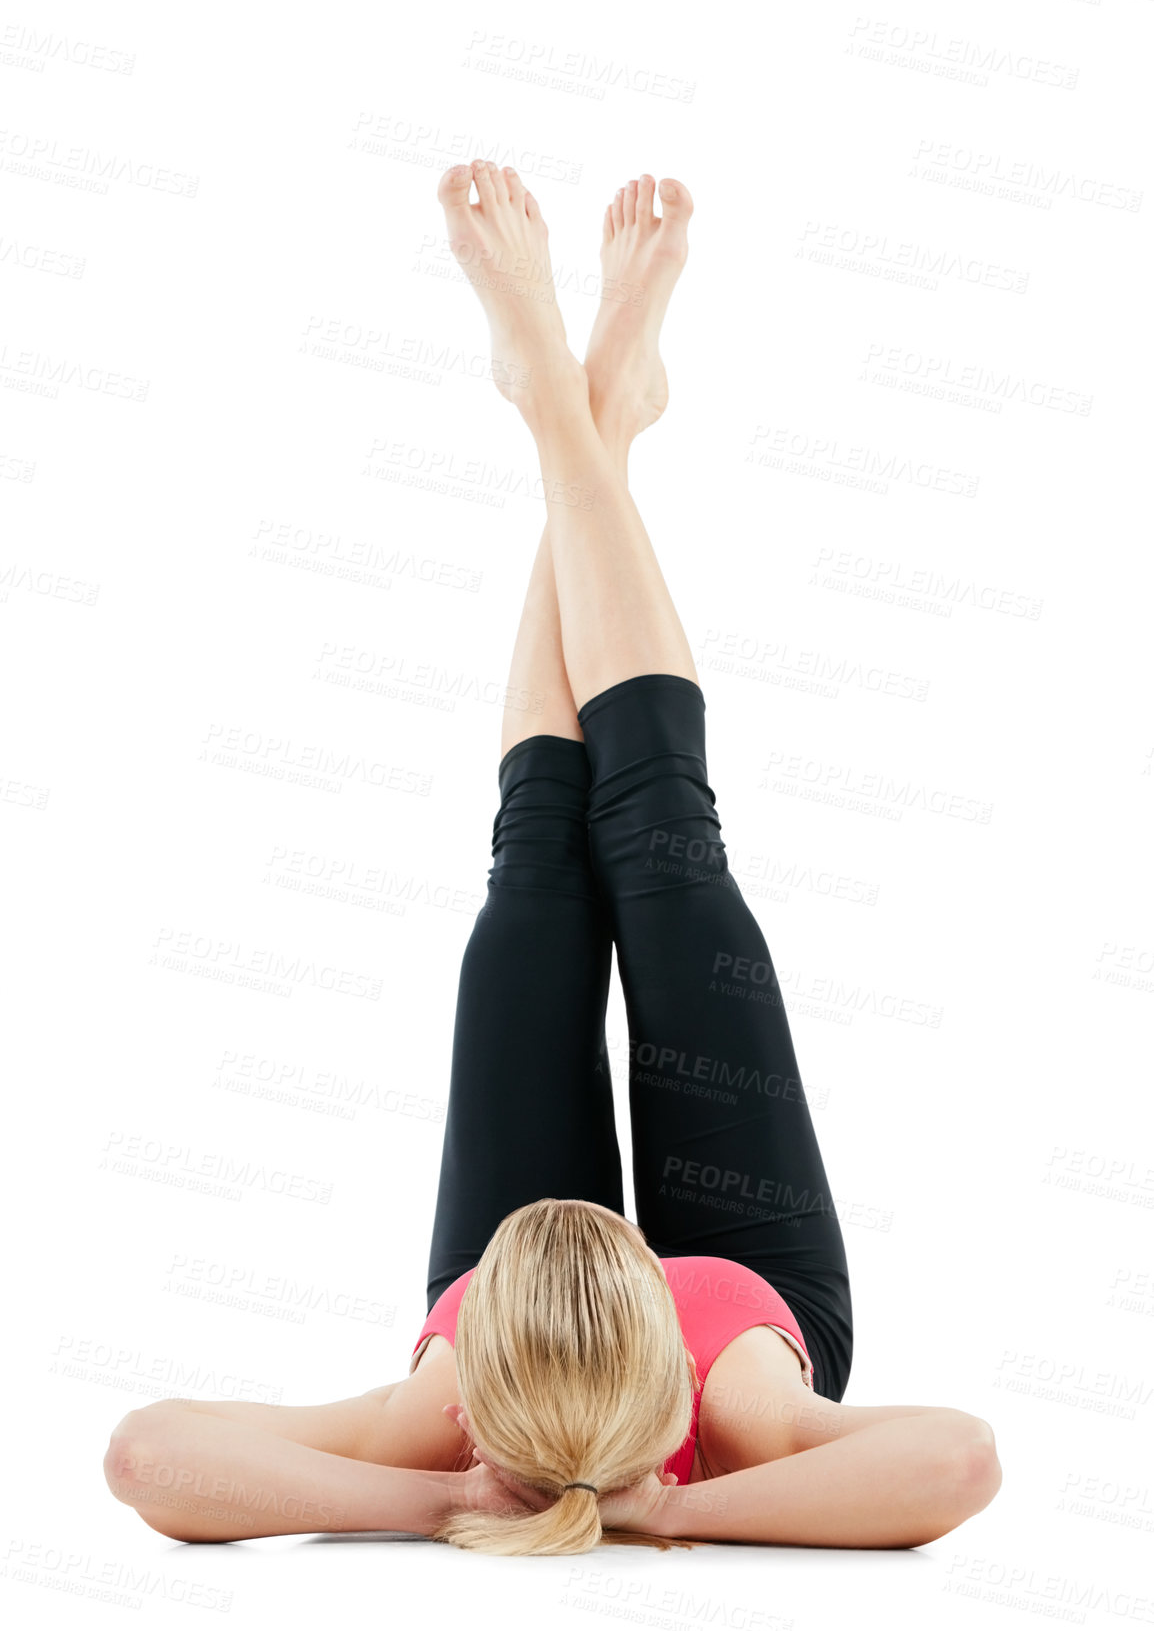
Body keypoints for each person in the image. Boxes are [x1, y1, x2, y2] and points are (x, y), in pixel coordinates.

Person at [103, 164, 1002, 1556]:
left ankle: (574, 410)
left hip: (528, 1336)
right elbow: (955, 1467)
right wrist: (682, 1502)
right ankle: (579, 413)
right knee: (659, 843)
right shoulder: (746, 1403)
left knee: (539, 870)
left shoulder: (447, 1402)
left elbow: (146, 1456)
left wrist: (433, 1494)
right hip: (746, 1283)